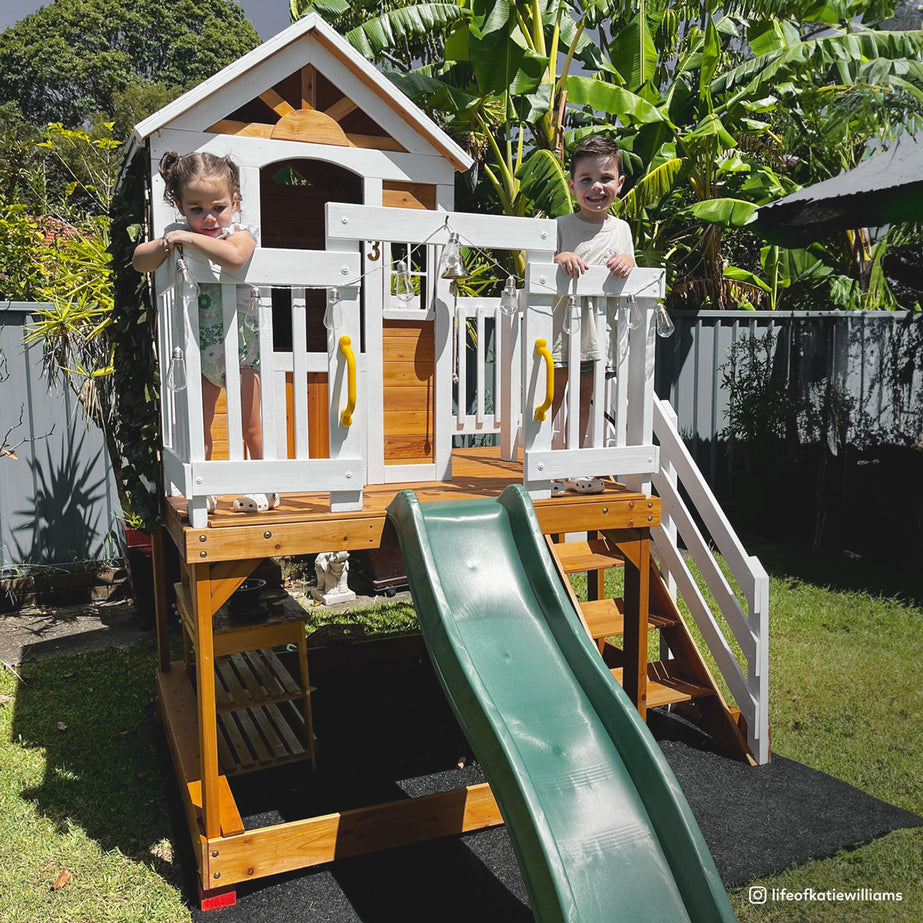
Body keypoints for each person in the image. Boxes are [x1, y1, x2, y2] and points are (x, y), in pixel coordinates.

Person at [132, 150, 279, 513]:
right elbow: (140, 261)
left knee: (251, 426)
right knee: (202, 423)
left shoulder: (239, 233)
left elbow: (236, 257)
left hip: (242, 348)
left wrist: (191, 240)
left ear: (235, 202)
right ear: (181, 206)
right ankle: (208, 486)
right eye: (196, 209)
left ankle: (267, 487)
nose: (209, 217)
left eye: (217, 207)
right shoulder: (177, 234)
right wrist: (166, 243)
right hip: (201, 348)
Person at [551, 135, 636, 494]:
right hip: (559, 331)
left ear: (619, 183)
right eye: (586, 180)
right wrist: (562, 257)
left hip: (596, 333)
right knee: (552, 397)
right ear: (572, 186)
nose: (596, 187)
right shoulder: (561, 225)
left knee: (585, 397)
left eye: (605, 178)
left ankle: (578, 466)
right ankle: (544, 463)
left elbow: (629, 263)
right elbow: (544, 263)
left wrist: (628, 261)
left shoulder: (621, 230)